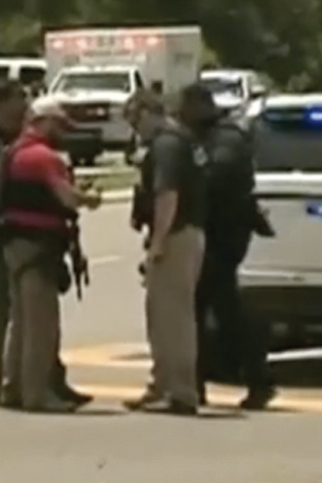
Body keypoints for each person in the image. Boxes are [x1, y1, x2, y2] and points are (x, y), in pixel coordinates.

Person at [0, 79, 91, 409]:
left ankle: (38, 382)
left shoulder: (20, 144)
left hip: (21, 238)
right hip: (0, 238)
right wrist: (0, 179)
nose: (24, 103)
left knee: (26, 320)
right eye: (19, 97)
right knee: (12, 318)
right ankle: (12, 384)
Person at [0, 96, 101, 412]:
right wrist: (89, 197)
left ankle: (11, 388)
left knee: (19, 322)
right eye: (58, 125)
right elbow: (66, 198)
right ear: (44, 122)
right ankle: (37, 394)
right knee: (41, 325)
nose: (62, 132)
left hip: (12, 243)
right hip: (39, 247)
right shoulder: (44, 157)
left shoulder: (11, 153)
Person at [123, 85, 210, 416]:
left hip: (175, 236)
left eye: (135, 121)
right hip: (185, 233)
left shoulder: (167, 145)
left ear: (146, 112)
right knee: (163, 316)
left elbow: (167, 196)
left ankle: (180, 391)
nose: (135, 130)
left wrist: (157, 243)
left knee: (172, 318)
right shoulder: (182, 139)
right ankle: (162, 385)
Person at [189, 85, 278, 410]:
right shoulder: (212, 137)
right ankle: (207, 381)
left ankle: (255, 378)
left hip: (223, 234)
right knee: (215, 309)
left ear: (200, 107)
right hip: (215, 233)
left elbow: (218, 178)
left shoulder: (226, 140)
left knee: (214, 311)